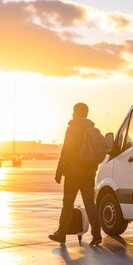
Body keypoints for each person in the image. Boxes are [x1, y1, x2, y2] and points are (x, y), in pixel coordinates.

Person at [49, 103, 102, 245]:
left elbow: (66, 151)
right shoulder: (92, 129)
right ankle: (97, 235)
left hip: (73, 174)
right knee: (90, 204)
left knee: (67, 204)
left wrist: (59, 172)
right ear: (86, 113)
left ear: (75, 112)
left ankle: (61, 234)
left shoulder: (72, 128)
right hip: (89, 174)